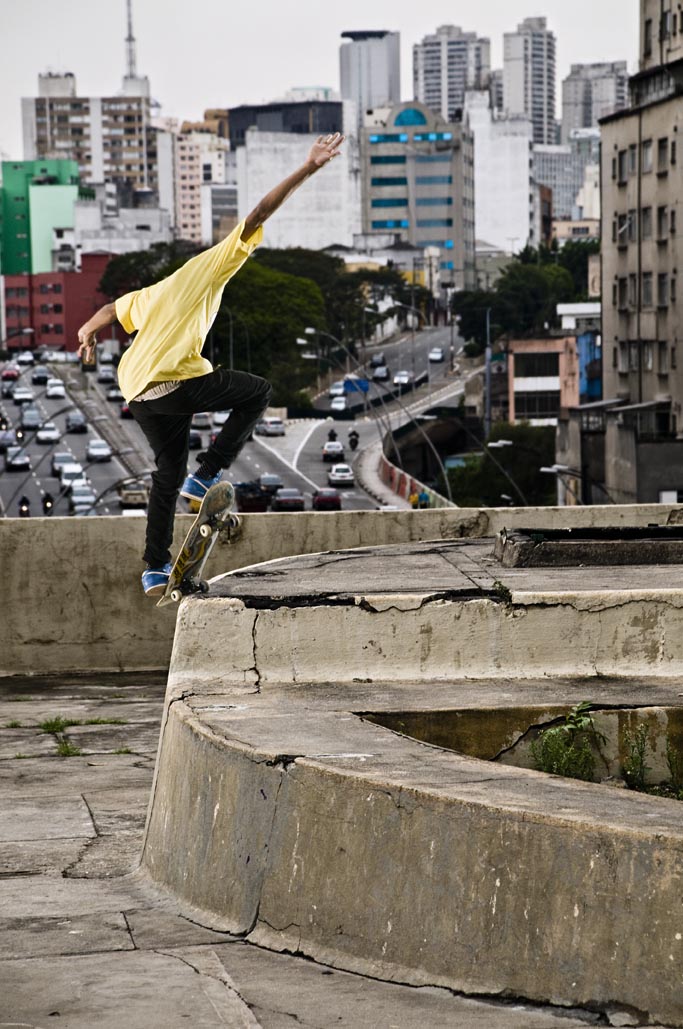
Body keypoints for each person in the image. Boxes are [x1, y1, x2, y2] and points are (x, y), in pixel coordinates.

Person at [77, 132, 345, 596]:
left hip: (137, 394)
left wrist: (86, 332)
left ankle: (155, 568)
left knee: (166, 474)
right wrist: (309, 168)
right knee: (257, 392)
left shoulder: (154, 292)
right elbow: (259, 213)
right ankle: (207, 475)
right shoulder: (211, 265)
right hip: (172, 383)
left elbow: (109, 311)